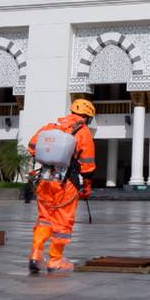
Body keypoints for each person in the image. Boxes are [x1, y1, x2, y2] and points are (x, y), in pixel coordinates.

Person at [27, 99, 96, 274]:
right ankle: (55, 260)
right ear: (87, 117)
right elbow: (87, 164)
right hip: (66, 183)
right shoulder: (83, 131)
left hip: (44, 180)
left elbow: (32, 146)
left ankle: (35, 255)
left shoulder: (51, 126)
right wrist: (87, 186)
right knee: (63, 222)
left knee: (44, 218)